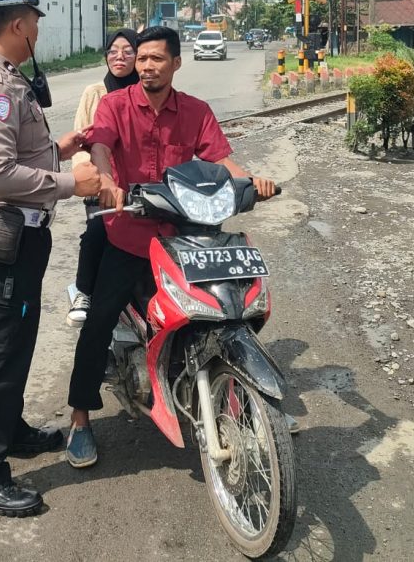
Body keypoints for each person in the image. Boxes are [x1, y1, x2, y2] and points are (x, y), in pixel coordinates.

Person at [63, 25, 277, 468]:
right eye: (141, 59)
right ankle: (80, 419)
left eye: (156, 59)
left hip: (184, 236)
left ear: (176, 63)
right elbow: (101, 145)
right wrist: (106, 180)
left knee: (229, 306)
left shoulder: (195, 111)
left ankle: (241, 392)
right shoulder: (115, 104)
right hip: (129, 237)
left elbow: (219, 157)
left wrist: (249, 180)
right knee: (99, 320)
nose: (145, 67)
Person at [0, 0, 102, 516]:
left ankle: (6, 431)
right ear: (18, 24)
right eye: (35, 20)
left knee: (14, 342)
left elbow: (17, 153)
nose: (38, 28)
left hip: (15, 238)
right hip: (0, 240)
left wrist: (61, 147)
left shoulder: (0, 74)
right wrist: (70, 182)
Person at [65, 28, 140, 327]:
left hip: (139, 182)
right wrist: (95, 179)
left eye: (127, 51)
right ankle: (83, 291)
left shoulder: (147, 91)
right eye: (113, 51)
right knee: (97, 231)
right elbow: (81, 140)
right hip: (102, 182)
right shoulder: (95, 92)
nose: (119, 57)